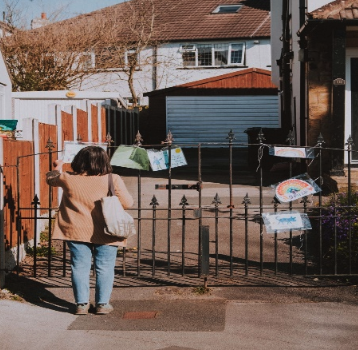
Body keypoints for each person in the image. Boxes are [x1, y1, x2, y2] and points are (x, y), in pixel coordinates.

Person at [46, 146, 134, 315]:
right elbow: (128, 203)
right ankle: (102, 304)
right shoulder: (112, 179)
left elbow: (51, 179)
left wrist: (57, 166)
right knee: (105, 267)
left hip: (76, 229)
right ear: (103, 161)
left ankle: (81, 304)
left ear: (79, 160)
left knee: (79, 266)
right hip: (107, 231)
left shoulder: (67, 178)